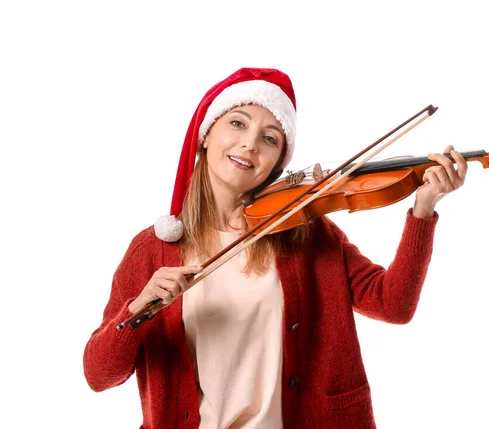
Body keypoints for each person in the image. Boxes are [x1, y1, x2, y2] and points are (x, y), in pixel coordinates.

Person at [83, 67, 467, 429]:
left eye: (270, 138)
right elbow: (99, 376)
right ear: (205, 134)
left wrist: (423, 208)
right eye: (237, 123)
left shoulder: (306, 232)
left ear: (277, 163)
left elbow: (393, 305)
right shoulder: (152, 250)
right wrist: (138, 308)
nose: (250, 144)